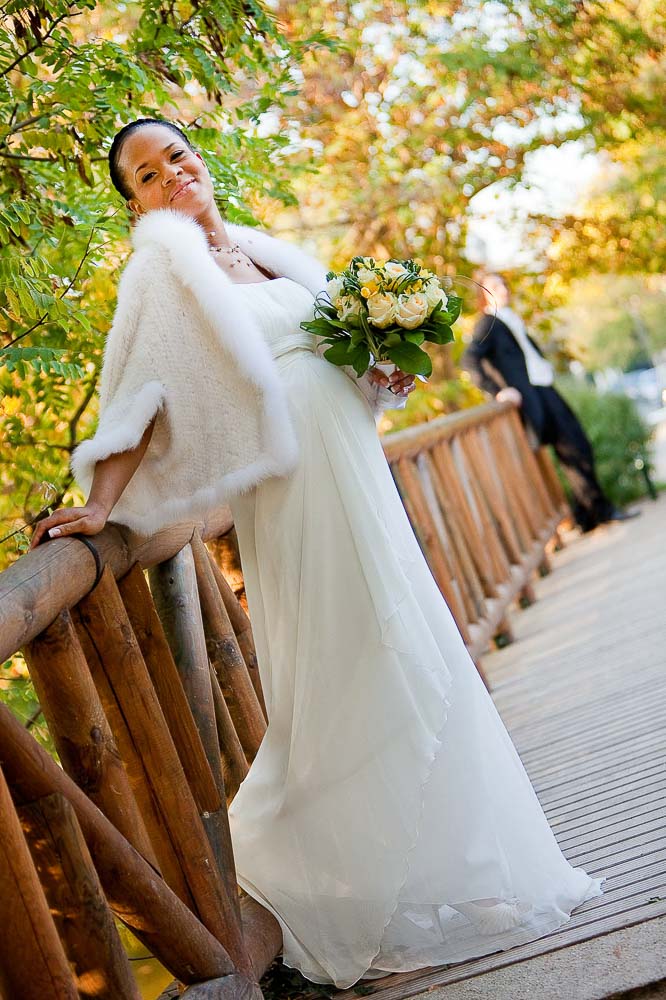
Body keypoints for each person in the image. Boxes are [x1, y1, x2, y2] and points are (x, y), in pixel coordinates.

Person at [30, 120, 603, 990]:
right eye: (145, 175)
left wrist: (380, 374)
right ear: (136, 204)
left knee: (409, 653)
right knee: (346, 669)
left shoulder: (262, 249)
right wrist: (102, 505)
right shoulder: (162, 274)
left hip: (358, 480)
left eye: (177, 155)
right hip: (294, 499)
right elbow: (139, 400)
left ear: (202, 158)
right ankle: (310, 875)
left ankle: (449, 871)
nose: (170, 174)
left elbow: (331, 358)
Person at [461, 273, 638, 532]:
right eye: (494, 287)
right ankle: (599, 511)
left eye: (503, 284)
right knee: (575, 448)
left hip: (544, 389)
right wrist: (498, 391)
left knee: (575, 448)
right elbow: (469, 361)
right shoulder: (488, 322)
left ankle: (586, 516)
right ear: (483, 296)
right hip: (534, 397)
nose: (503, 290)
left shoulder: (509, 318)